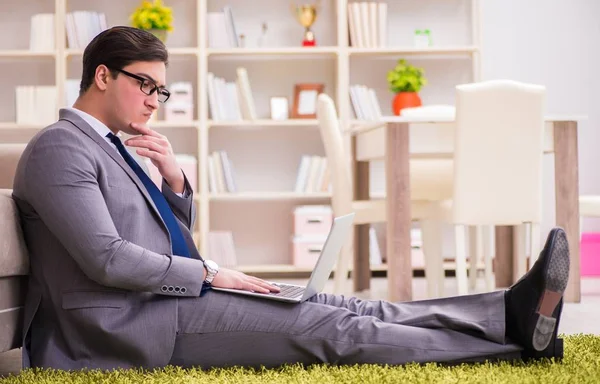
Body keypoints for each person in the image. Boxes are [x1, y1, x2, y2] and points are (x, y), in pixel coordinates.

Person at [12, 26, 569, 371]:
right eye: (146, 84)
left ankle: (504, 312)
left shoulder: (118, 146)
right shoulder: (61, 148)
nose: (157, 99)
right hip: (125, 327)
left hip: (163, 300)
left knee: (348, 305)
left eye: (163, 89)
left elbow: (158, 234)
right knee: (334, 332)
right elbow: (105, 257)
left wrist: (175, 182)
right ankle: (516, 348)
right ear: (102, 75)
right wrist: (210, 276)